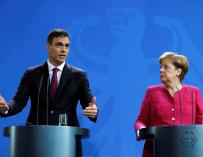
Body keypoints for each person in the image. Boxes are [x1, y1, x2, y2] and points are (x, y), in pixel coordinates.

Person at [0, 28, 98, 156]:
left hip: (67, 141)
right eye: (59, 45)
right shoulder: (32, 74)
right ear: (48, 46)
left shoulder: (79, 75)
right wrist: (5, 108)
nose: (64, 50)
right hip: (35, 140)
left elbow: (89, 104)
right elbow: (18, 102)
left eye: (67, 46)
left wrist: (93, 111)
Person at [134, 52, 203, 157]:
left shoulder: (194, 92)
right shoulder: (151, 92)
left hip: (187, 151)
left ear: (178, 72)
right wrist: (140, 129)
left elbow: (200, 122)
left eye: (166, 67)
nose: (161, 70)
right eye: (161, 67)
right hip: (156, 151)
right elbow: (141, 121)